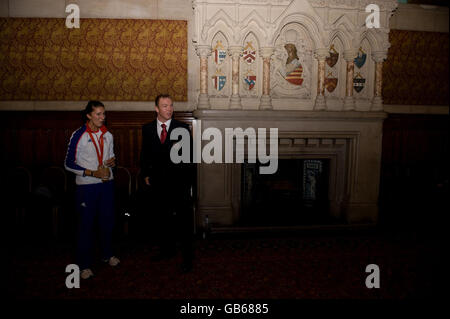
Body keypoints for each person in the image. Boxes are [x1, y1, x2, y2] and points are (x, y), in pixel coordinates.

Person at [64, 100, 120, 280]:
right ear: (88, 115)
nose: (102, 118)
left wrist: (112, 161)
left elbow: (110, 156)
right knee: (85, 226)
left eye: (104, 114)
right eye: (98, 114)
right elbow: (68, 163)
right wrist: (91, 172)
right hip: (86, 187)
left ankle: (107, 254)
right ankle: (83, 265)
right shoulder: (78, 135)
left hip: (106, 184)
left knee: (108, 222)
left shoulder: (108, 135)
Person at [140, 94, 195, 273]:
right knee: (163, 219)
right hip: (158, 183)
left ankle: (188, 259)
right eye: (165, 106)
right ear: (156, 109)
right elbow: (145, 154)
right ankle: (167, 251)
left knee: (184, 223)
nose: (169, 109)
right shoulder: (147, 129)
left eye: (171, 105)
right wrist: (146, 174)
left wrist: (189, 184)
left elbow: (190, 158)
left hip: (179, 184)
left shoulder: (183, 128)